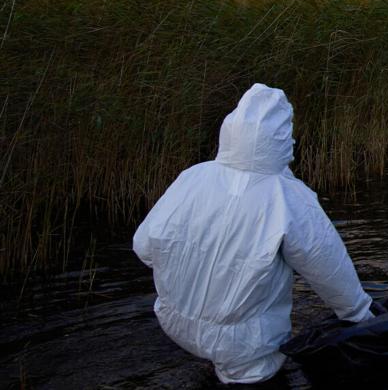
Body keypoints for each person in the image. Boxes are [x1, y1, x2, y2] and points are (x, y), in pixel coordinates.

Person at [133, 84, 375, 384]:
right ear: (283, 138)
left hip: (175, 321)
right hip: (246, 344)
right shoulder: (287, 196)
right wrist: (359, 314)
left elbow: (143, 246)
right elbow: (327, 265)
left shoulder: (193, 177)